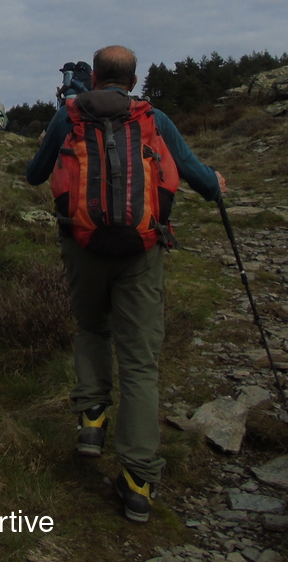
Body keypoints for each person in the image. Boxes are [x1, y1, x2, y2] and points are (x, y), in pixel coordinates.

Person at [25, 45, 226, 523]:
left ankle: (92, 417)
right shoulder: (154, 117)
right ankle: (137, 480)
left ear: (94, 77)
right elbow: (195, 173)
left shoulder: (69, 114)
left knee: (92, 329)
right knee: (139, 362)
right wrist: (216, 185)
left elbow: (35, 174)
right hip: (141, 250)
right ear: (134, 81)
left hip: (82, 245)